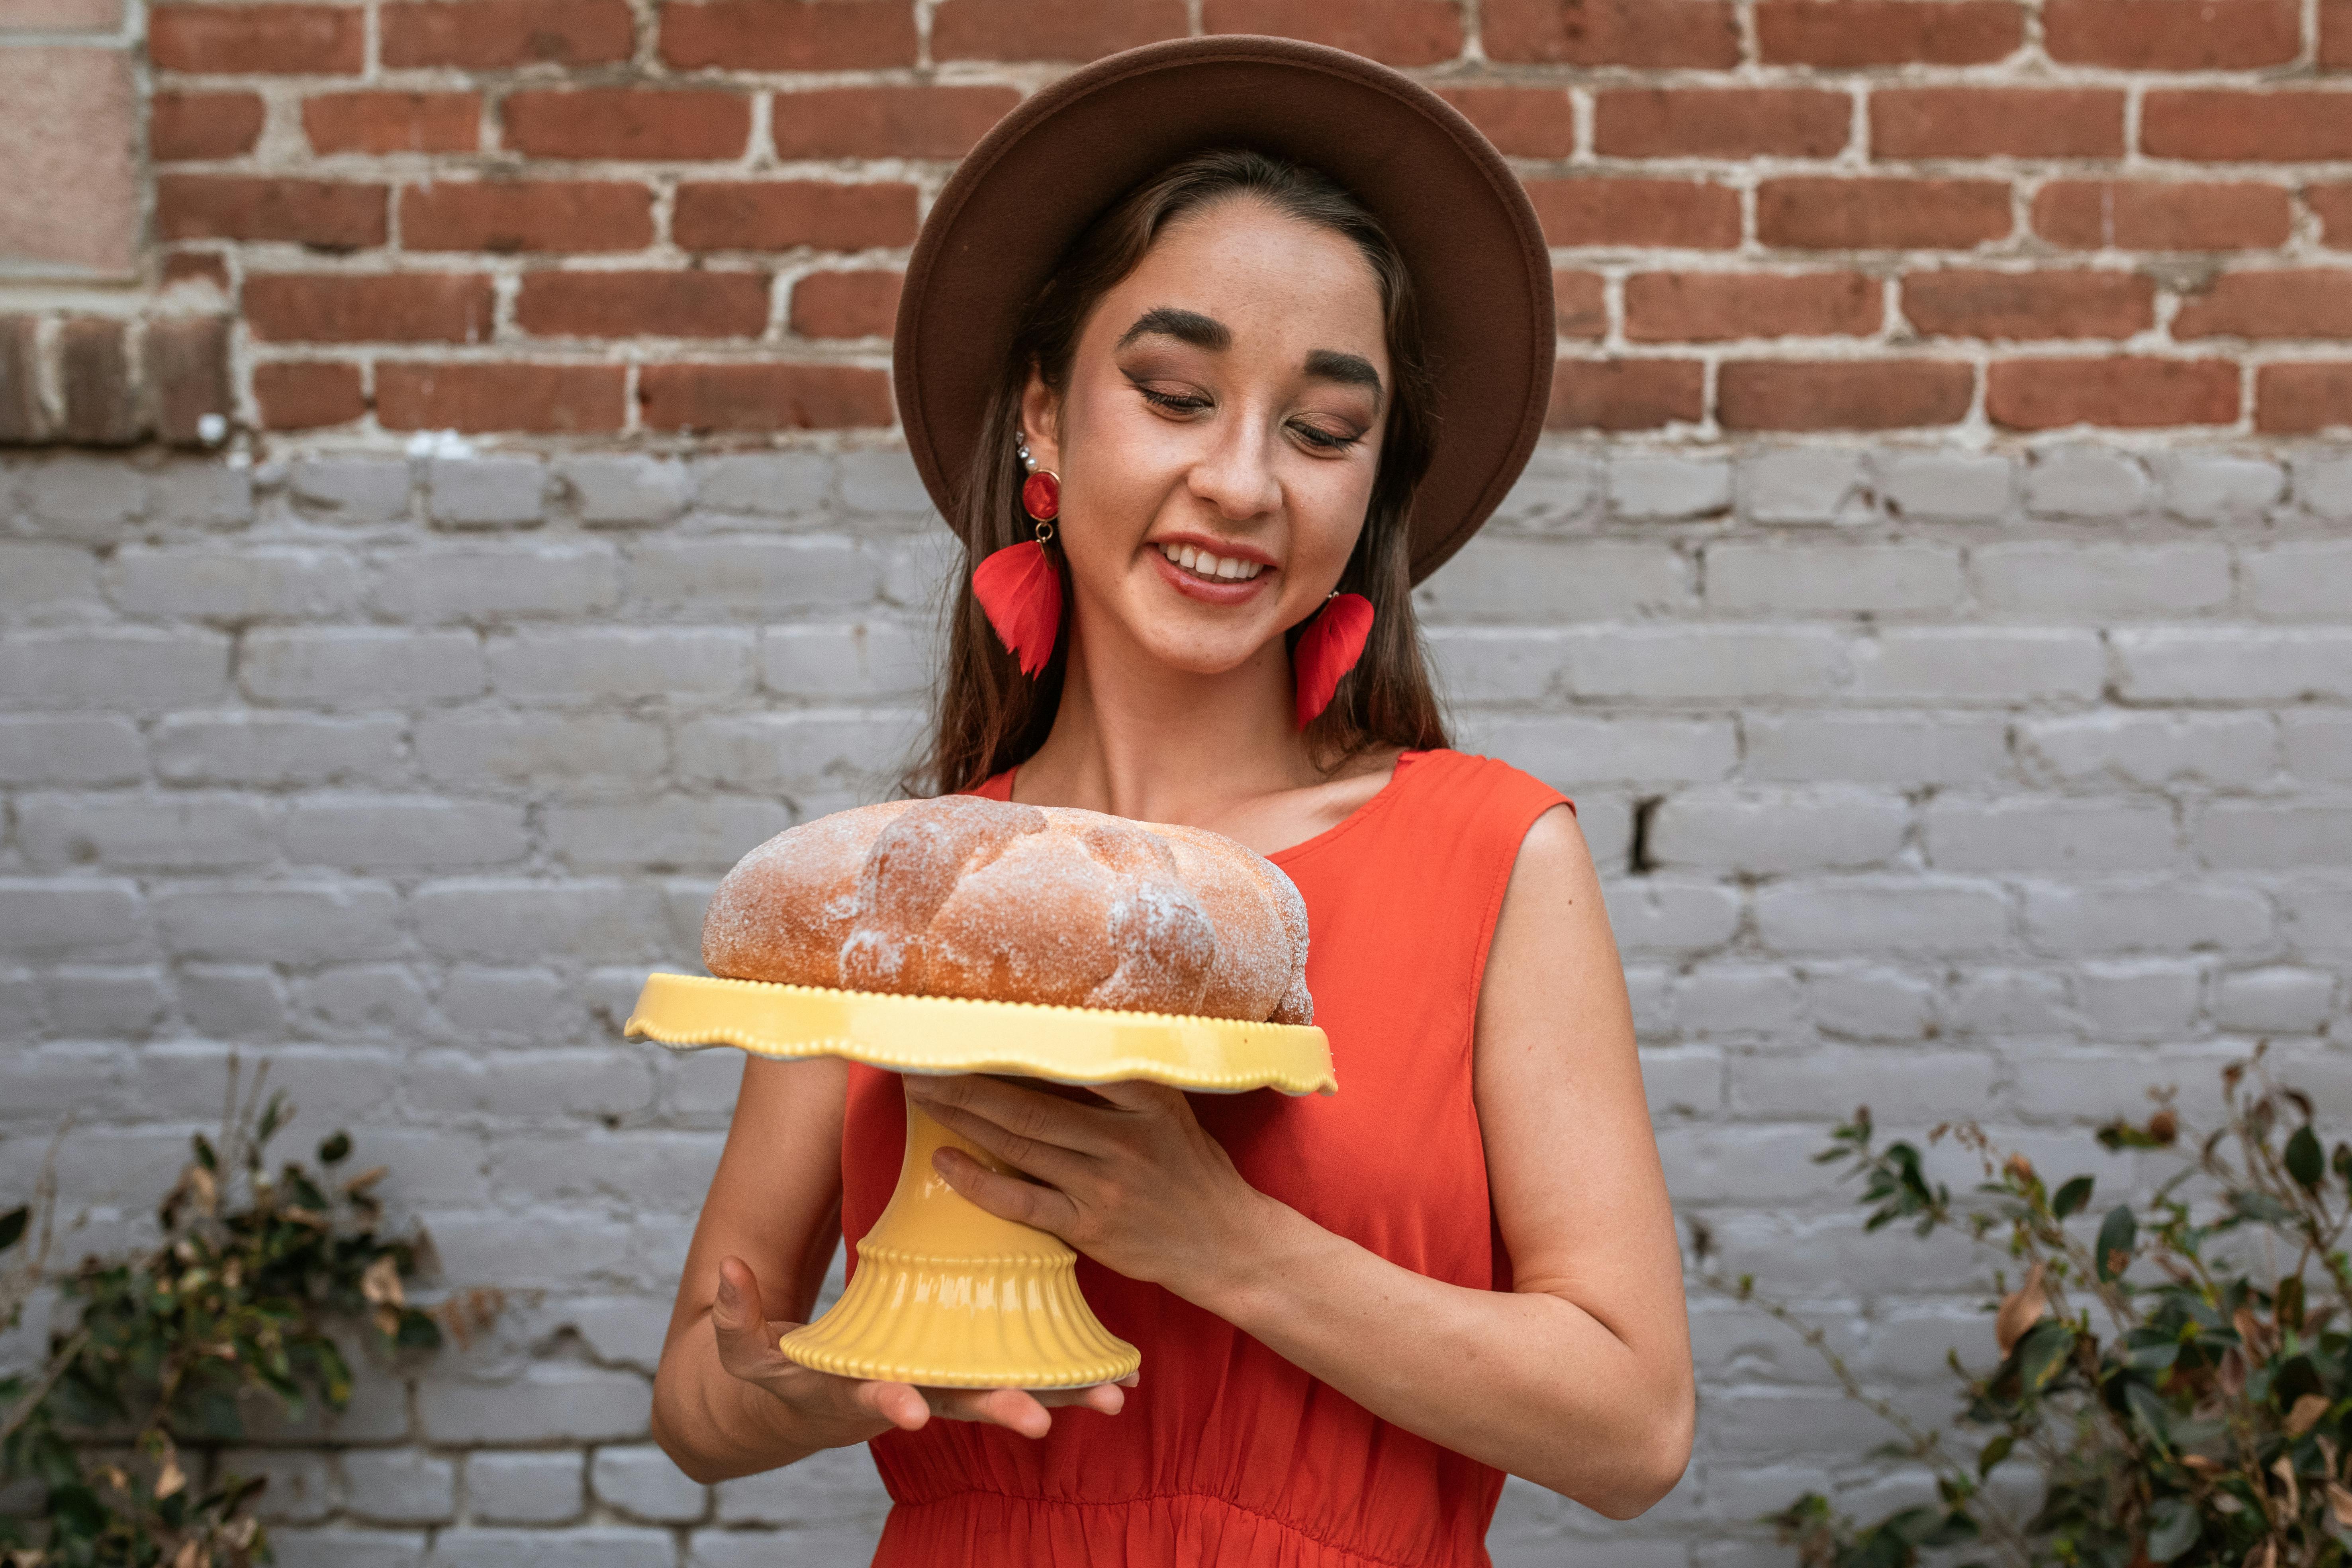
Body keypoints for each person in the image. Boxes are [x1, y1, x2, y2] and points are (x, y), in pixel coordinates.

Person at [650, 37, 1693, 1566]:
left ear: (1368, 491)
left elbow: (1635, 1430)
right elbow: (696, 1385)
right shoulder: (901, 895)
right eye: (1173, 393)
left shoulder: (1490, 852)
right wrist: (806, 1392)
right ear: (1047, 425)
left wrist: (1218, 1241)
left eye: (1323, 429)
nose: (1242, 481)